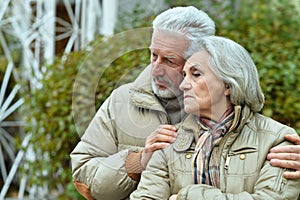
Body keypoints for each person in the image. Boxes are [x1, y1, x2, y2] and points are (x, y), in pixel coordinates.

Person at [70, 6, 300, 200]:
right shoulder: (122, 100)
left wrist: (188, 196)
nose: (155, 69)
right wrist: (138, 162)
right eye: (153, 55)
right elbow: (83, 179)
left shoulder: (272, 136)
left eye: (170, 60)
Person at [130, 36, 300, 200]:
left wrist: (186, 197)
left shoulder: (277, 139)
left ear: (227, 84)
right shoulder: (169, 140)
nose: (183, 85)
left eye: (195, 74)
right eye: (184, 75)